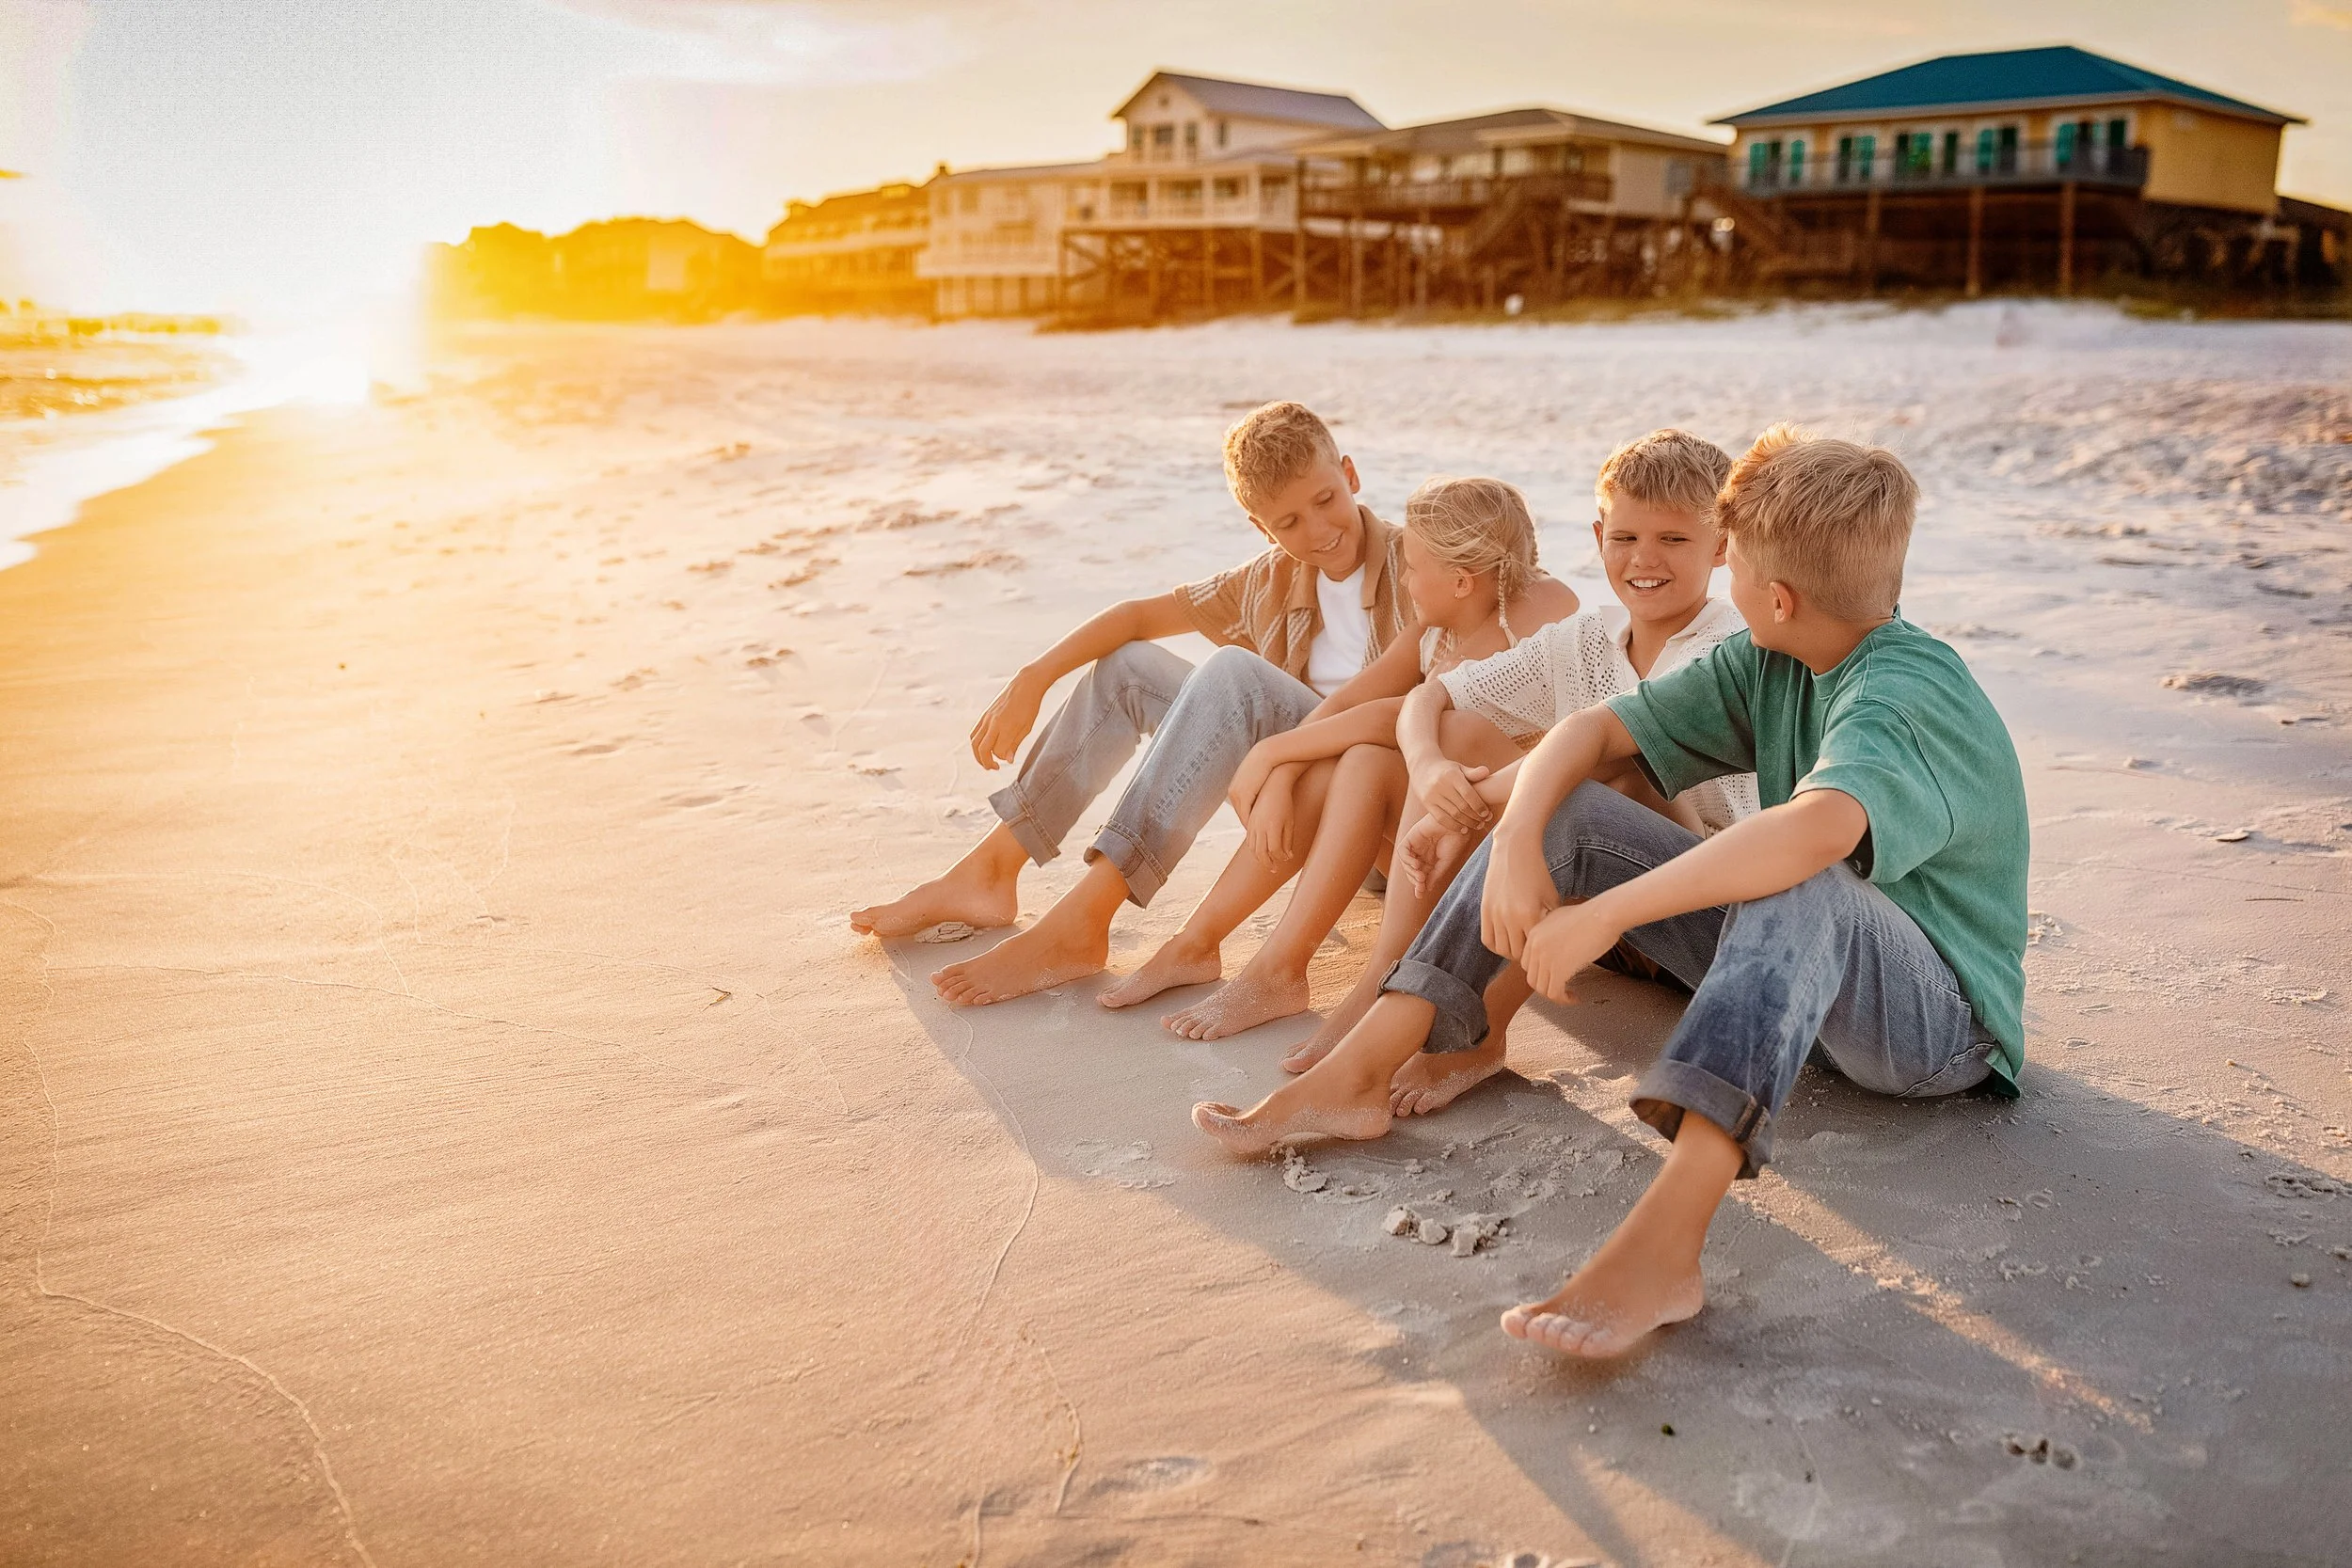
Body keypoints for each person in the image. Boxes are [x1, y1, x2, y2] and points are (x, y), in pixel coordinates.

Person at [1195, 425, 2029, 1362]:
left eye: (1733, 555)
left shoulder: (1901, 692)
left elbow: (1813, 831)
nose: (1724, 574)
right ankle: (1355, 1077)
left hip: (1937, 1026)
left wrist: (1605, 913)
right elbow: (1591, 731)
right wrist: (1508, 834)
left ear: (1773, 593)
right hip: (1791, 986)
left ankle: (1665, 1250)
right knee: (1572, 805)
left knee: (1804, 877)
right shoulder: (1778, 655)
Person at [850, 401, 1413, 1006]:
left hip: (1379, 807)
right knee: (1128, 666)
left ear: (1351, 475)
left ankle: (1086, 918)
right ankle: (991, 871)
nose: (1317, 530)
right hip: (1287, 790)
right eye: (1289, 522)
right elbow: (1137, 617)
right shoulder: (1269, 577)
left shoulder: (1419, 561)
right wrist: (1033, 677)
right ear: (1262, 528)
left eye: (1326, 500)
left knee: (1234, 674)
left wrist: (1284, 758)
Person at [1301, 429, 1760, 1117]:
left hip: (1704, 914)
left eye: (1674, 540)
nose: (1644, 560)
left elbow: (1618, 753)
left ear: (1721, 546)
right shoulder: (1586, 638)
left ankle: (1476, 1033)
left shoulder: (1731, 649)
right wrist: (1429, 769)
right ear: (1599, 533)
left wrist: (1488, 808)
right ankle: (1395, 982)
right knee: (1462, 738)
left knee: (1608, 773)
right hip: (1596, 925)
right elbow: (1434, 695)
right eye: (1626, 537)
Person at [1102, 476, 1579, 1040]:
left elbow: (1397, 715)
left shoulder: (1538, 612)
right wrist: (1284, 774)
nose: (1402, 578)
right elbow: (1354, 697)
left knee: (1424, 737)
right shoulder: (1435, 628)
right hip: (1429, 848)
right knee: (1357, 762)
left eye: (1412, 566)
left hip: (1509, 859)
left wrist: (1274, 750)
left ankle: (1386, 970)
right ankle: (1219, 949)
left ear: (1460, 580)